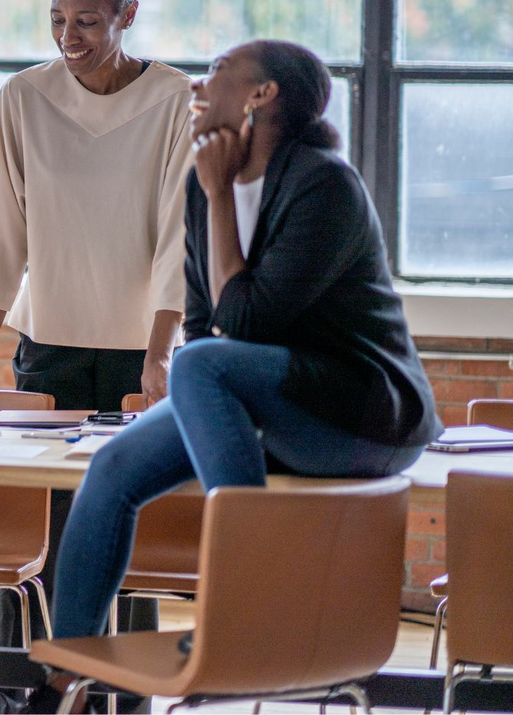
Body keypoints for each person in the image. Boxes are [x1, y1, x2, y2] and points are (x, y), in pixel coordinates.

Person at [26, 40, 443, 713]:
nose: (199, 81)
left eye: (219, 70)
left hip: (362, 417)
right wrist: (211, 190)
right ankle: (64, 681)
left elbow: (242, 327)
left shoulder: (323, 183)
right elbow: (203, 315)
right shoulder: (199, 182)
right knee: (113, 468)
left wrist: (221, 193)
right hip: (268, 404)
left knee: (198, 361)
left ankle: (244, 618)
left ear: (261, 95)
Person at [0, 0, 193, 708]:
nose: (68, 36)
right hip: (47, 350)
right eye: (57, 20)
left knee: (126, 542)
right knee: (48, 541)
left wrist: (159, 355)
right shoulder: (23, 98)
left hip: (136, 359)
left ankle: (123, 696)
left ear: (128, 17)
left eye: (86, 21)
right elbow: (1, 239)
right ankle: (28, 700)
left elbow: (180, 235)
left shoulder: (176, 99)